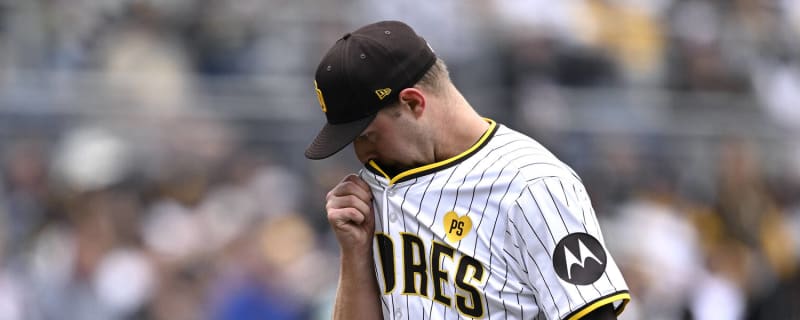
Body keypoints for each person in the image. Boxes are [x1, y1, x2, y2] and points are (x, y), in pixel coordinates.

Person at [305, 20, 631, 320]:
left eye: (367, 135)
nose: (361, 154)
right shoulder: (372, 191)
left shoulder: (534, 184)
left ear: (413, 103)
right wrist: (354, 253)